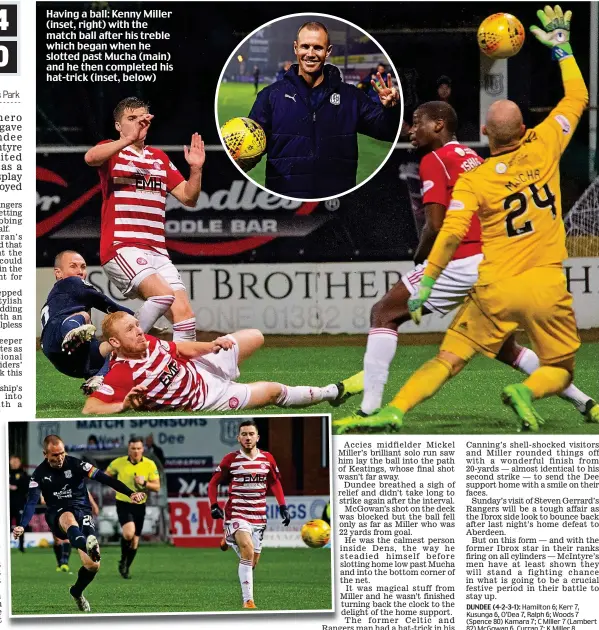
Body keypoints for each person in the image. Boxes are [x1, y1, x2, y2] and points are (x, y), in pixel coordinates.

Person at [339, 6, 592, 433]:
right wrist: (562, 49)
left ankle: (370, 408)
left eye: (418, 122)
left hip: (468, 264)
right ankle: (585, 402)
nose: (411, 130)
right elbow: (576, 99)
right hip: (507, 267)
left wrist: (424, 270)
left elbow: (441, 227)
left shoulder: (437, 161)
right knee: (506, 348)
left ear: (442, 125)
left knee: (384, 313)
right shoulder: (484, 157)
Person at [84, 96, 205, 342]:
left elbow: (188, 198)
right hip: (122, 247)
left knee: (185, 318)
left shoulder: (159, 159)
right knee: (162, 296)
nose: (139, 123)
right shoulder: (113, 150)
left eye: (142, 118)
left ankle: (182, 379)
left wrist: (196, 169)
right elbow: (91, 158)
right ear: (118, 126)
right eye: (131, 119)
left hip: (157, 252)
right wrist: (126, 140)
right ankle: (112, 352)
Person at [82, 311, 363, 415]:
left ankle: (224, 358)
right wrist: (123, 405)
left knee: (255, 336)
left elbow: (180, 348)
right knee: (273, 391)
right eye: (130, 330)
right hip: (208, 397)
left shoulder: (147, 343)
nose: (139, 331)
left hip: (201, 368)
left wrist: (212, 345)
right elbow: (89, 408)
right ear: (115, 343)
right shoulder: (121, 374)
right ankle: (333, 392)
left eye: (136, 324)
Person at [245, 21, 401, 198]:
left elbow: (387, 130)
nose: (310, 54)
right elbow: (252, 147)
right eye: (305, 46)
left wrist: (391, 109)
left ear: (328, 51)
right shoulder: (271, 96)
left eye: (318, 48)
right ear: (296, 48)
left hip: (336, 204)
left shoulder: (351, 97)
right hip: (284, 203)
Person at [12, 435, 145, 612]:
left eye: (61, 453)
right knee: (68, 518)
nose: (59, 458)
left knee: (92, 565)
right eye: (54, 455)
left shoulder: (77, 464)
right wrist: (22, 524)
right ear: (45, 454)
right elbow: (31, 501)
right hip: (57, 515)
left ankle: (76, 592)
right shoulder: (39, 474)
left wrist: (130, 493)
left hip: (83, 511)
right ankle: (86, 544)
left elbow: (105, 478)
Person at [208, 420, 290, 609]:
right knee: (247, 549)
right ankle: (248, 601)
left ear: (257, 437)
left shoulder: (267, 459)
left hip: (259, 515)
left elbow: (275, 483)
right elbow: (213, 483)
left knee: (251, 562)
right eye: (243, 434)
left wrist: (283, 506)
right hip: (237, 513)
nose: (247, 437)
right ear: (238, 438)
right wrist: (213, 504)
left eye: (251, 434)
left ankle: (228, 539)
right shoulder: (231, 459)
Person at [40, 250, 134, 393]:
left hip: (66, 361)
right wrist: (141, 318)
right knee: (85, 316)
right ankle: (71, 332)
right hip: (58, 335)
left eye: (83, 267)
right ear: (58, 273)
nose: (80, 271)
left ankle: (97, 378)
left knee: (117, 345)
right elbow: (112, 307)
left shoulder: (57, 299)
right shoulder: (73, 283)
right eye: (73, 266)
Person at [106, 437, 160, 579]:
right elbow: (106, 475)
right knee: (129, 534)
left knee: (135, 540)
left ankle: (125, 566)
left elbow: (157, 486)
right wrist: (113, 485)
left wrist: (145, 483)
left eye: (138, 448)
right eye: (133, 448)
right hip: (123, 503)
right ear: (128, 450)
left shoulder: (150, 464)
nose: (136, 451)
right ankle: (123, 559)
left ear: (143, 449)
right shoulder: (119, 462)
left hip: (140, 505)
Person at [52, 491, 99, 573]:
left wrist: (94, 504)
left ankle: (64, 561)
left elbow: (85, 491)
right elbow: (43, 498)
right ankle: (60, 562)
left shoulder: (74, 480)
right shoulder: (49, 480)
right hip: (55, 510)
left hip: (72, 509)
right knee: (57, 540)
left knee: (67, 536)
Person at [9, 456, 29, 553]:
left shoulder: (23, 474)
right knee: (5, 526)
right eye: (12, 461)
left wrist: (13, 487)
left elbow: (25, 488)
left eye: (16, 461)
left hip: (19, 504)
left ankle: (21, 546)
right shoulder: (5, 472)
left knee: (20, 525)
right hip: (7, 505)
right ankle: (5, 546)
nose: (14, 463)